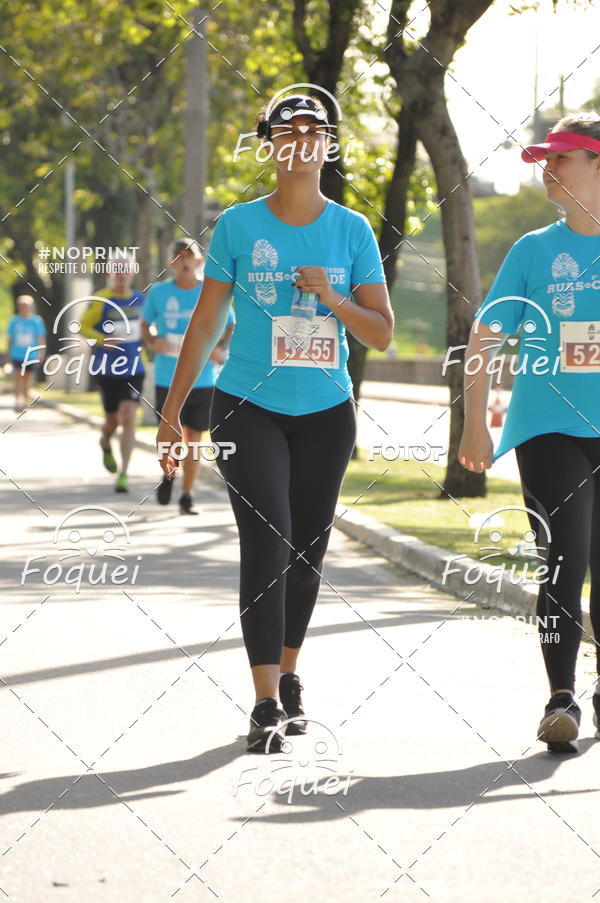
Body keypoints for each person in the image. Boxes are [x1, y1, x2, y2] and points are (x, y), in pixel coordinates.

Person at [156, 94, 394, 752]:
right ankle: (264, 700)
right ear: (267, 144)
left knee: (307, 550)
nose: (301, 140)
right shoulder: (236, 225)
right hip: (247, 405)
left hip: (325, 412)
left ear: (327, 144)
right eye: (286, 131)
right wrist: (175, 411)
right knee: (270, 537)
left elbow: (380, 331)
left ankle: (289, 676)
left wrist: (333, 295)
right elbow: (206, 323)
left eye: (314, 130)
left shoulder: (351, 230)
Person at [459, 113, 600, 754]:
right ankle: (561, 698)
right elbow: (486, 335)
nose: (546, 167)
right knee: (563, 560)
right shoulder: (532, 250)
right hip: (549, 426)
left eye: (560, 158)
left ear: (595, 163)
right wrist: (474, 423)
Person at [141, 238, 235, 515]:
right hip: (167, 379)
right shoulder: (159, 292)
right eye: (178, 256)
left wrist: (220, 349)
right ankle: (169, 474)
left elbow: (229, 322)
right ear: (171, 263)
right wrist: (152, 341)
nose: (184, 261)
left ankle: (187, 494)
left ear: (199, 261)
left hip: (203, 378)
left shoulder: (210, 291)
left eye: (189, 256)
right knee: (171, 434)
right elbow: (145, 325)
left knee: (194, 436)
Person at [80, 258, 145, 493]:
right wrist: (101, 340)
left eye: (126, 271)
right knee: (113, 421)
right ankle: (106, 441)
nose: (122, 275)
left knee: (128, 417)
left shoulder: (141, 298)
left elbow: (148, 326)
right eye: (117, 271)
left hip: (135, 368)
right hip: (108, 368)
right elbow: (82, 326)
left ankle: (124, 474)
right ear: (110, 274)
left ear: (132, 274)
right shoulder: (101, 299)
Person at [7, 295, 46, 411]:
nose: (25, 308)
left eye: (27, 306)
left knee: (27, 379)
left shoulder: (36, 321)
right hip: (16, 354)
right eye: (22, 305)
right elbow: (10, 338)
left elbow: (41, 338)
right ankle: (17, 401)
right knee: (18, 378)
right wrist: (8, 353)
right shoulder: (14, 320)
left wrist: (42, 352)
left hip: (31, 355)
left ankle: (25, 400)